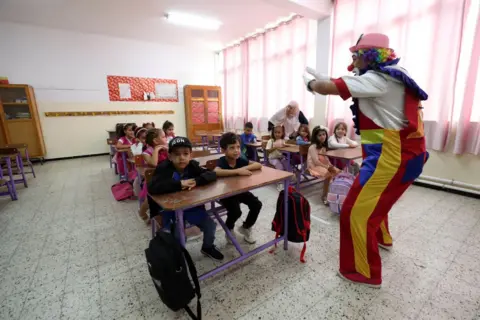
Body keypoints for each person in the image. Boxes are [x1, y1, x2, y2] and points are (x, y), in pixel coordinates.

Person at [303, 33, 429, 287]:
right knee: (374, 201)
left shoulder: (377, 79)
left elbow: (328, 88)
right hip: (404, 154)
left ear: (369, 56)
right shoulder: (394, 73)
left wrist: (311, 84)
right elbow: (347, 81)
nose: (352, 59)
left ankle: (363, 272)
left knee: (354, 212)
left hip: (389, 157)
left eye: (356, 55)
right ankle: (382, 237)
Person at [147, 137, 224, 261]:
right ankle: (178, 255)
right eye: (177, 154)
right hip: (171, 210)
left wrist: (196, 181)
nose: (181, 157)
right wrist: (179, 184)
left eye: (185, 154)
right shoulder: (164, 168)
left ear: (190, 155)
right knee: (178, 235)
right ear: (170, 156)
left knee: (211, 225)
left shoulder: (192, 166)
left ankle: (207, 247)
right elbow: (152, 187)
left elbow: (211, 174)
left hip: (191, 207)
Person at [214, 132, 263, 244]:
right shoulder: (222, 161)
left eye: (238, 147)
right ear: (223, 150)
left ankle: (246, 227)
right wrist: (237, 171)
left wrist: (243, 168)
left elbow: (258, 165)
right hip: (226, 193)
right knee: (236, 211)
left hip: (240, 191)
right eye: (232, 148)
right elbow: (216, 172)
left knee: (257, 204)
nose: (236, 150)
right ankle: (229, 229)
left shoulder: (240, 160)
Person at [137, 128, 168, 222]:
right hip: (154, 180)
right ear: (155, 140)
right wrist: (156, 150)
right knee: (150, 199)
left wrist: (169, 150)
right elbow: (154, 163)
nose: (166, 138)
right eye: (163, 137)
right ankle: (142, 212)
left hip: (166, 177)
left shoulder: (166, 148)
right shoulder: (146, 152)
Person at [307, 126, 341, 205]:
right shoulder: (313, 147)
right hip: (313, 167)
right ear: (315, 137)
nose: (323, 137)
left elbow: (326, 158)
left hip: (323, 165)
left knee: (339, 172)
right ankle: (324, 196)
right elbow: (316, 161)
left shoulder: (323, 146)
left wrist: (331, 165)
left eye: (324, 134)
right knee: (328, 174)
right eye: (320, 135)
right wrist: (328, 167)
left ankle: (335, 193)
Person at [266, 125, 290, 191]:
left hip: (280, 157)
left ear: (282, 133)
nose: (277, 134)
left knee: (287, 164)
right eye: (275, 132)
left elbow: (284, 147)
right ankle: (280, 183)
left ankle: (288, 178)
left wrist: (286, 146)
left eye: (279, 132)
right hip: (272, 158)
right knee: (280, 166)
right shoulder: (271, 141)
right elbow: (268, 151)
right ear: (273, 133)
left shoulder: (282, 141)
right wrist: (275, 147)